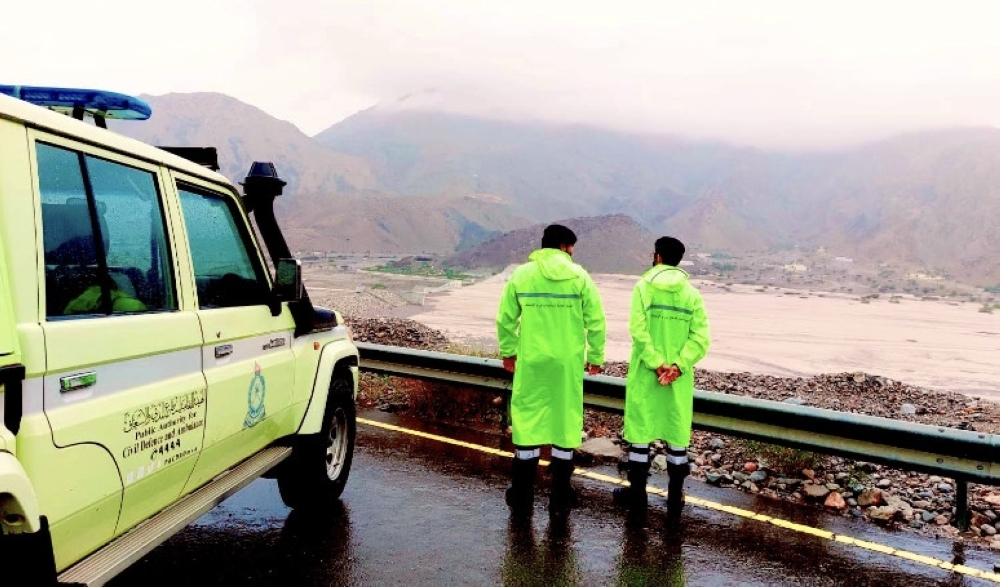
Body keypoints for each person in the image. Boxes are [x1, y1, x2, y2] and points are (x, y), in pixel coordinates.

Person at [496, 224, 606, 516]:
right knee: (565, 421)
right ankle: (560, 497)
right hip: (567, 364)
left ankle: (521, 494)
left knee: (528, 420)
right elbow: (596, 321)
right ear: (565, 246)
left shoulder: (522, 275)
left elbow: (505, 320)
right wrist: (595, 356)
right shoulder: (580, 277)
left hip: (532, 361)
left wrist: (509, 352)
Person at [613, 236, 710, 530]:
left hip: (647, 375)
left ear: (656, 257)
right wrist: (677, 366)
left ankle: (637, 496)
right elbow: (701, 338)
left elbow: (638, 331)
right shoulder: (691, 295)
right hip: (676, 382)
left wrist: (656, 364)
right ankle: (674, 497)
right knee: (676, 439)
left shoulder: (643, 288)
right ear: (678, 260)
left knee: (640, 438)